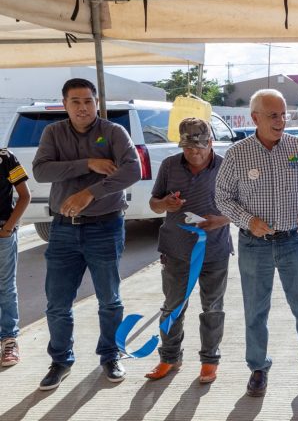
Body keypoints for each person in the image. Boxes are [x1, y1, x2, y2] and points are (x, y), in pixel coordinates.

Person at [32, 78, 141, 390]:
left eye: (88, 101)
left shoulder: (113, 133)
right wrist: (88, 163)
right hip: (63, 229)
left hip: (105, 226)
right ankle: (61, 360)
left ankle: (110, 355)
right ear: (65, 104)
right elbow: (41, 171)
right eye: (75, 101)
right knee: (57, 301)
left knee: (109, 299)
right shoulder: (53, 133)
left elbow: (132, 171)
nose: (82, 107)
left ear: (96, 102)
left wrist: (90, 193)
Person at [215, 89, 298, 397]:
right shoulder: (238, 154)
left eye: (283, 114)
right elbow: (222, 198)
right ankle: (258, 368)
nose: (280, 121)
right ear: (255, 118)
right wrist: (248, 220)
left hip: (294, 241)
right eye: (273, 115)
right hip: (254, 244)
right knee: (255, 311)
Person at [145, 118, 232, 384]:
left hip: (214, 249)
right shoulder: (171, 165)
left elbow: (244, 205)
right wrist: (165, 204)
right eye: (188, 148)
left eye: (199, 148)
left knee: (212, 307)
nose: (193, 153)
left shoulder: (226, 166)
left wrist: (222, 219)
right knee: (172, 306)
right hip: (176, 249)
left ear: (211, 143)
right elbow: (153, 203)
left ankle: (209, 361)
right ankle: (169, 358)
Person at [0, 148, 30, 367]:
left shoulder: (5, 157)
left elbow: (24, 195)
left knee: (5, 287)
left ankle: (9, 339)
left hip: (3, 234)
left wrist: (8, 228)